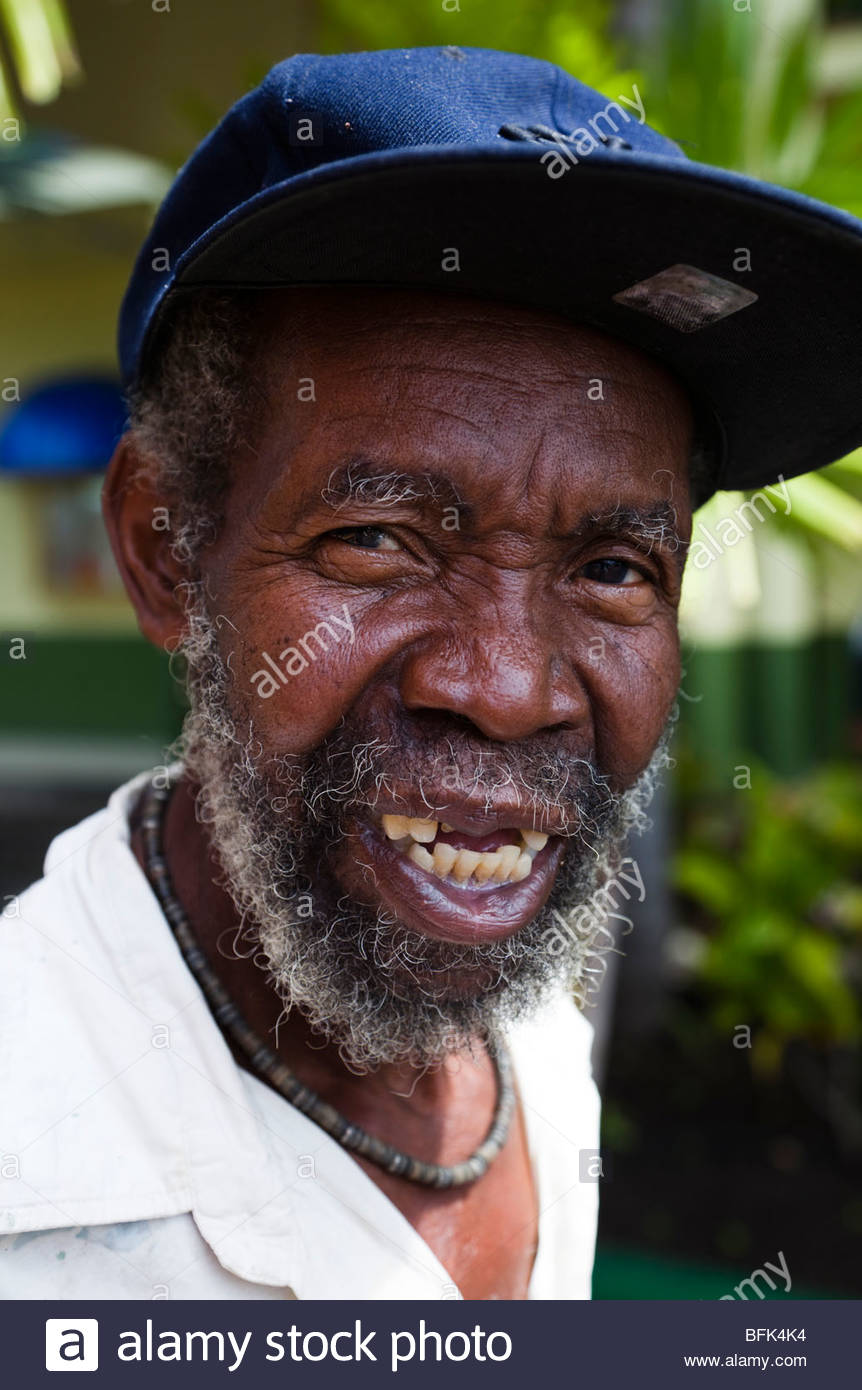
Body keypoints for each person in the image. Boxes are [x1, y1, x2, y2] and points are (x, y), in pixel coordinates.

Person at [2, 47, 860, 1301]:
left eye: (616, 566)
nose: (510, 688)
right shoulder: (43, 1220)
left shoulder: (533, 1035)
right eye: (379, 541)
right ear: (166, 551)